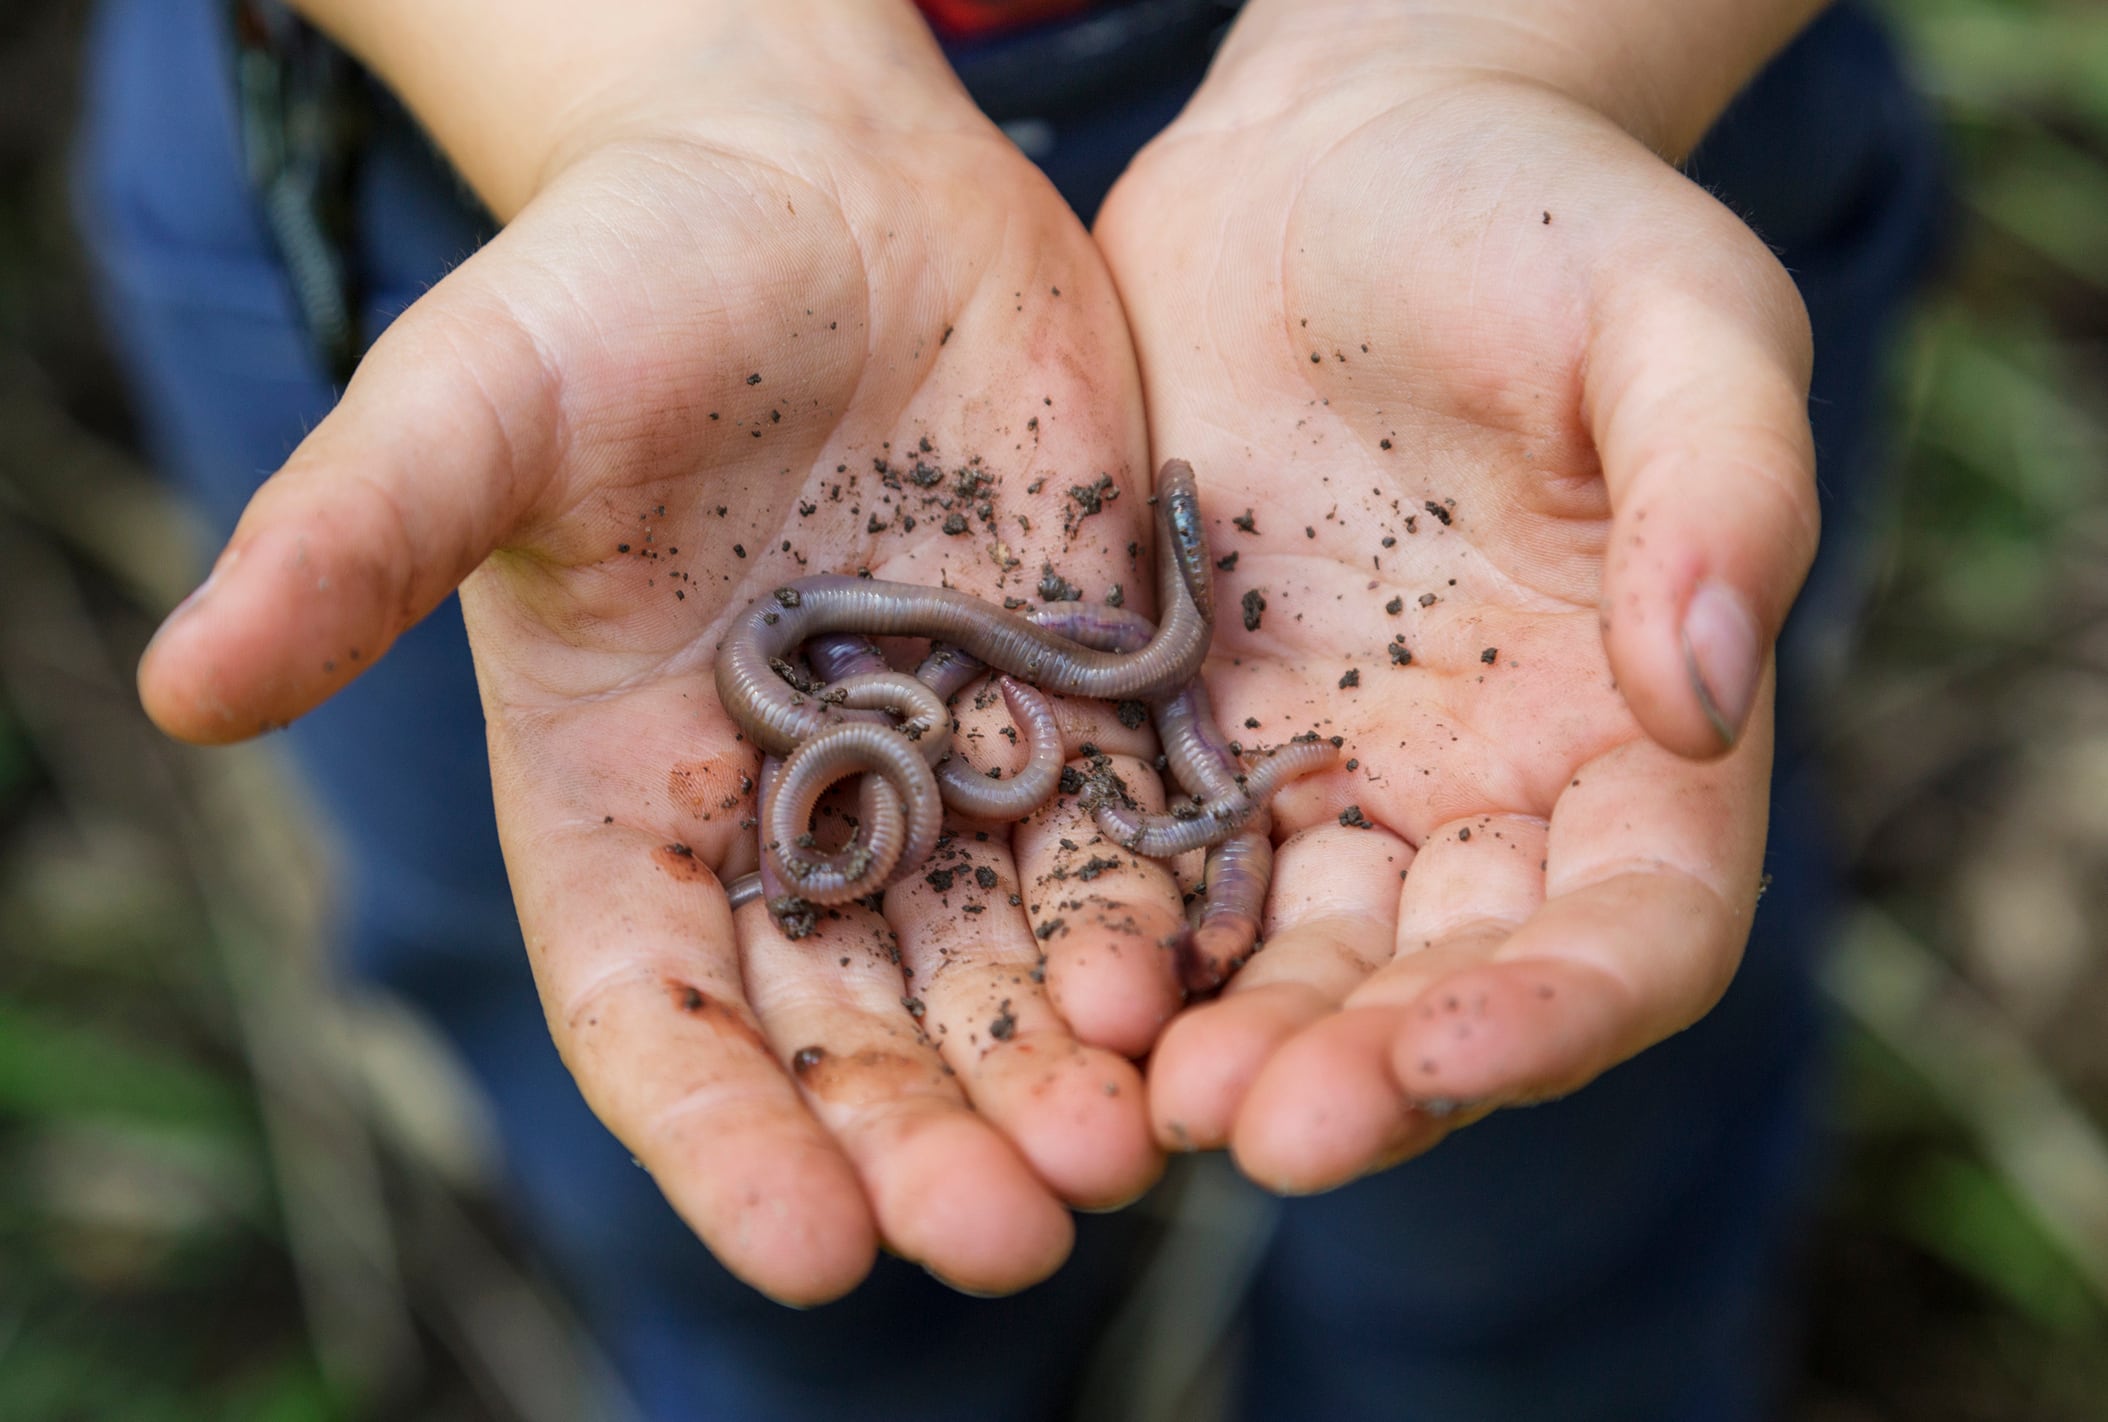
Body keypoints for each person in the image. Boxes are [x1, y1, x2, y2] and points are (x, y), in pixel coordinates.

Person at [76, 0, 1942, 1415]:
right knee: (711, 1174)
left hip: (1545, 110)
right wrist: (656, 76)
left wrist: (1490, 57)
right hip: (484, 136)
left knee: (1529, 1187)